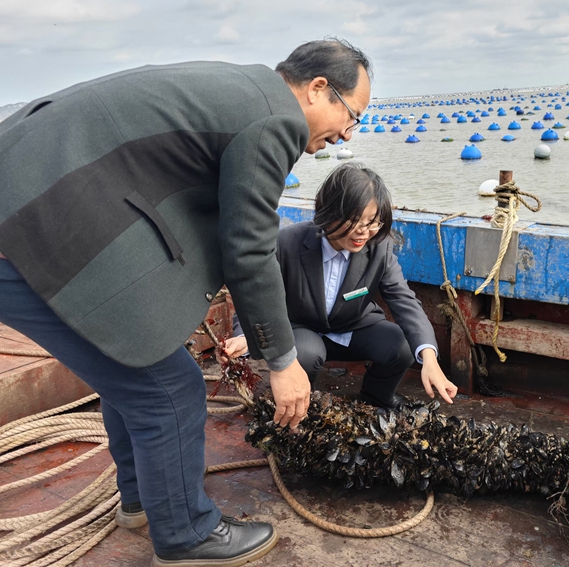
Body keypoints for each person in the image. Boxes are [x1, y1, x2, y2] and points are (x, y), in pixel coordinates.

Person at [0, 39, 371, 566]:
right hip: (24, 234)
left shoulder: (241, 88)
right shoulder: (275, 118)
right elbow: (249, 248)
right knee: (170, 391)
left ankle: (141, 502)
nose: (347, 135)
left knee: (136, 362)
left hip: (33, 208)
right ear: (317, 89)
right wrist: (282, 360)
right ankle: (186, 535)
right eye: (352, 116)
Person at [222, 163, 458, 407]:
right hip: (301, 329)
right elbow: (257, 294)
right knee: (305, 353)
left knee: (404, 345)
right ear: (329, 211)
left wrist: (429, 358)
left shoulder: (380, 247)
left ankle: (376, 397)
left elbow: (404, 300)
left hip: (353, 326)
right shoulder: (287, 242)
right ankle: (302, 405)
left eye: (372, 222)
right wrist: (244, 336)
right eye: (354, 221)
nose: (363, 232)